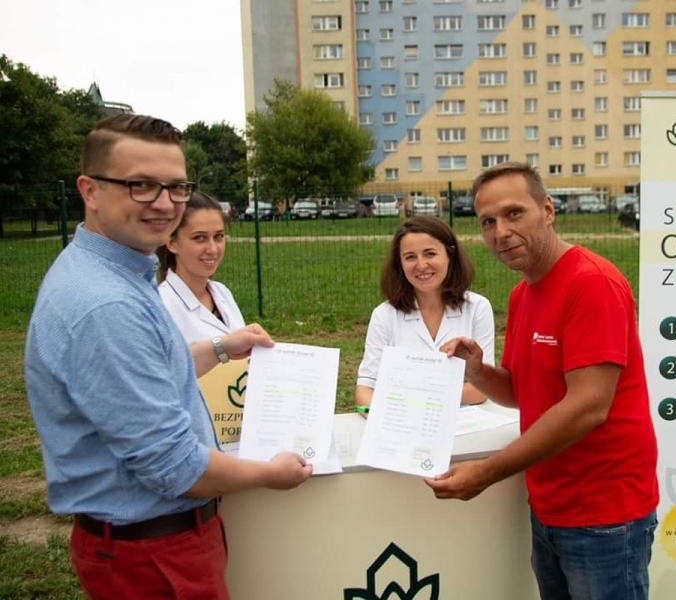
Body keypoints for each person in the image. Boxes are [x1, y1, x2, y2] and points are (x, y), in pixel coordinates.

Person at [24, 114, 312, 600]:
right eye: (140, 185)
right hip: (155, 554)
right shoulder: (107, 305)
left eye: (177, 187)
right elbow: (175, 467)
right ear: (90, 191)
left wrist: (221, 347)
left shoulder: (111, 273)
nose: (164, 203)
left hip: (151, 544)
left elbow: (155, 374)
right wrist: (270, 473)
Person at [426, 162, 659, 600]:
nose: (501, 232)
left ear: (547, 210)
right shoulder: (523, 293)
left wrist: (486, 473)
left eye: (514, 213)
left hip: (605, 515)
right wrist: (478, 371)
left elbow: (589, 406)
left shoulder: (591, 283)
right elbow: (520, 391)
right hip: (551, 505)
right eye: (488, 222)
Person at [356, 216, 494, 408]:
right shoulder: (384, 315)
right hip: (401, 422)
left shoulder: (478, 308)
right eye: (410, 257)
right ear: (399, 263)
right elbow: (365, 391)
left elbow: (482, 389)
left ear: (450, 255)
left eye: (430, 254)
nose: (421, 265)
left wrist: (415, 400)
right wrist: (382, 416)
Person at [157, 191, 245, 345]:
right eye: (199, 238)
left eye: (218, 236)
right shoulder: (161, 306)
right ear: (171, 243)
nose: (213, 249)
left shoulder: (222, 292)